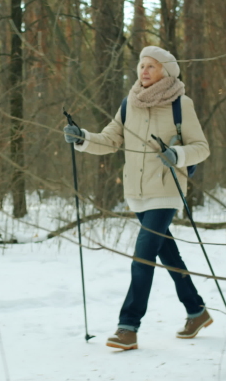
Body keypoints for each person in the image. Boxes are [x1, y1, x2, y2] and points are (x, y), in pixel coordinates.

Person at [63, 46, 212, 351]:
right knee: (167, 254)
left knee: (143, 256)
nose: (144, 70)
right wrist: (82, 138)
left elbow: (201, 147)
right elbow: (109, 140)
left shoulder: (181, 104)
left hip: (166, 189)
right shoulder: (129, 104)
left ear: (166, 72)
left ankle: (128, 326)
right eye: (142, 65)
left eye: (151, 66)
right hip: (137, 192)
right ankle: (196, 311)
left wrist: (178, 154)